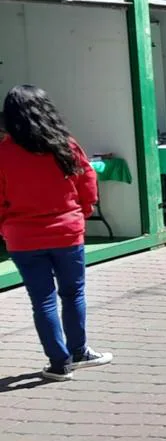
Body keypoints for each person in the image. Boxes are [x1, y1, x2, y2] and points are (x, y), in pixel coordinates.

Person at [0, 85, 112, 381]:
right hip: (66, 232)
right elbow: (87, 180)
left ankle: (59, 363)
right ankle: (79, 351)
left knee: (43, 300)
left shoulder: (3, 152)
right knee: (73, 293)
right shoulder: (65, 144)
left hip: (22, 236)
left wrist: (4, 226)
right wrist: (82, 212)